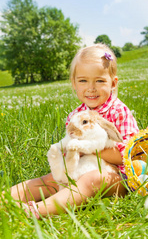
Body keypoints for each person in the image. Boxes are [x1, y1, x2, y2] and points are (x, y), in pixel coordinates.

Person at [10, 44, 139, 218]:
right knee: (50, 180)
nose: (91, 88)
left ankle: (36, 211)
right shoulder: (75, 116)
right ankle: (6, 200)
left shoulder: (118, 111)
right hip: (79, 170)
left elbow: (129, 157)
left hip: (118, 178)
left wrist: (87, 147)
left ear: (113, 83)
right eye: (83, 80)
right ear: (74, 83)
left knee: (91, 179)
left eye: (100, 81)